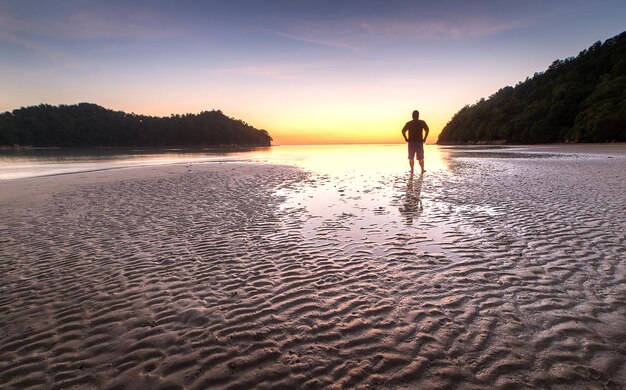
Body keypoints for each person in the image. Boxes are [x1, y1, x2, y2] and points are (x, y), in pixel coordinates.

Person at [401, 110, 429, 174]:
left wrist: (406, 138)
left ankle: (412, 170)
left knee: (411, 157)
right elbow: (427, 130)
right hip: (419, 142)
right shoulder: (422, 122)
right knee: (420, 158)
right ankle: (422, 170)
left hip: (411, 143)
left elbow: (403, 131)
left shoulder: (409, 123)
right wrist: (424, 138)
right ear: (418, 115)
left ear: (412, 116)